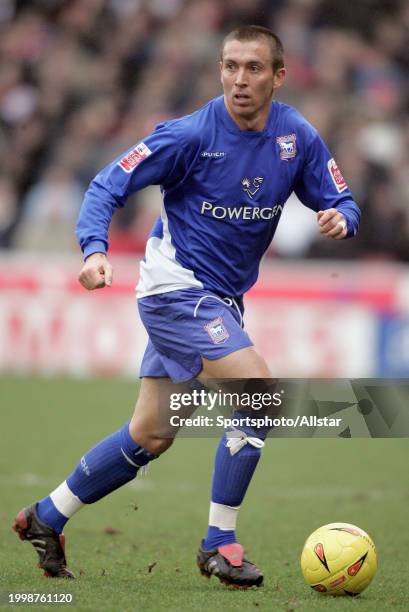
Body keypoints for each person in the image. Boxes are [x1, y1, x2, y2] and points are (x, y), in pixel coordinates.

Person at [13, 25, 360, 587]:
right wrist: (95, 250)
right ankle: (219, 543)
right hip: (175, 291)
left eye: (252, 68)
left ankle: (46, 517)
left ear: (279, 76)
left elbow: (340, 197)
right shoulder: (191, 134)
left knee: (151, 434)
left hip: (220, 300)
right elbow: (107, 184)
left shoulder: (297, 137)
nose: (239, 80)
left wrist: (342, 217)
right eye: (229, 66)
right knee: (261, 397)